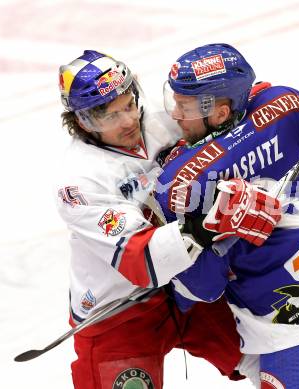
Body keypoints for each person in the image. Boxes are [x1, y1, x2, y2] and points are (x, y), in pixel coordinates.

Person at [154, 43, 299, 388]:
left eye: (184, 106)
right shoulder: (283, 104)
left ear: (218, 112)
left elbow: (202, 287)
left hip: (296, 330)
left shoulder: (182, 178)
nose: (175, 114)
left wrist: (181, 260)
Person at [56, 49, 270, 389]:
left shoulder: (162, 122)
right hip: (120, 315)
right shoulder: (80, 181)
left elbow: (228, 120)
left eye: (129, 105)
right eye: (109, 116)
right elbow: (138, 256)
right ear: (83, 121)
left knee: (270, 361)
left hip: (186, 287)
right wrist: (203, 226)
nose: (128, 121)